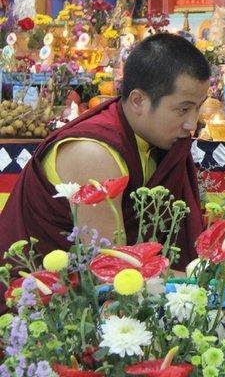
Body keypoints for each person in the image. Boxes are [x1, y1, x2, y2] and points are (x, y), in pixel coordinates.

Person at [0, 33, 211, 272]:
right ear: (138, 101)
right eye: (183, 109)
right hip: (38, 291)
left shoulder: (156, 140)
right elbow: (111, 271)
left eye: (198, 107)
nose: (191, 124)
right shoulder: (93, 153)